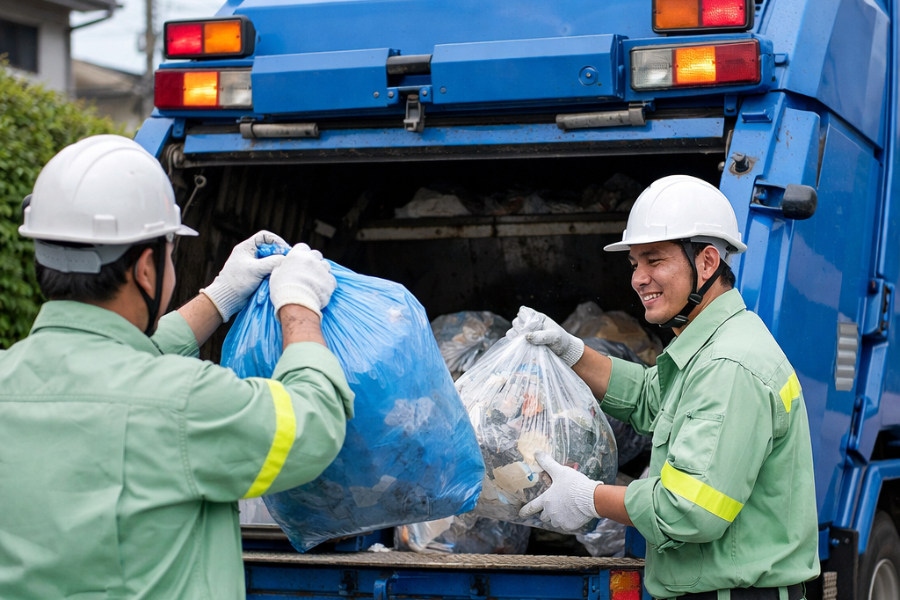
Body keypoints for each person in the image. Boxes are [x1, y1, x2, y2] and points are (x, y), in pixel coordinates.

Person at [0, 135, 352, 599]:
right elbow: (313, 423)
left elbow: (112, 369)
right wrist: (300, 305)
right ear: (146, 269)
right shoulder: (187, 403)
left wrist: (220, 297)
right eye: (170, 251)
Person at [514, 175, 819, 599]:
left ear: (708, 263)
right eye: (634, 263)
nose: (639, 278)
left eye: (654, 261)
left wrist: (590, 498)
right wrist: (571, 351)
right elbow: (648, 397)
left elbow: (690, 509)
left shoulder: (727, 365)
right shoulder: (711, 347)